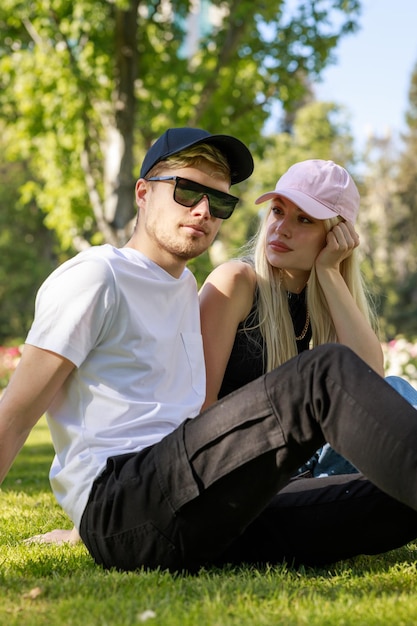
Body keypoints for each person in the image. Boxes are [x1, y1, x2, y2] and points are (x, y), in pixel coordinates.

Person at [2, 131, 417, 574]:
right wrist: (89, 524)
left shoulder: (181, 288)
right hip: (124, 498)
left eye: (219, 202)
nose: (203, 211)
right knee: (323, 372)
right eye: (187, 191)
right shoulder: (97, 276)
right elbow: (16, 412)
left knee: (392, 502)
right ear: (143, 193)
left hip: (201, 507)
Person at [199, 159, 417, 478]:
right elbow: (197, 407)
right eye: (277, 210)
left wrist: (329, 272)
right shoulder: (236, 281)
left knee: (394, 390)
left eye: (304, 219)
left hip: (301, 463)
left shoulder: (319, 302)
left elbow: (369, 381)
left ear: (335, 236)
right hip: (243, 473)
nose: (282, 227)